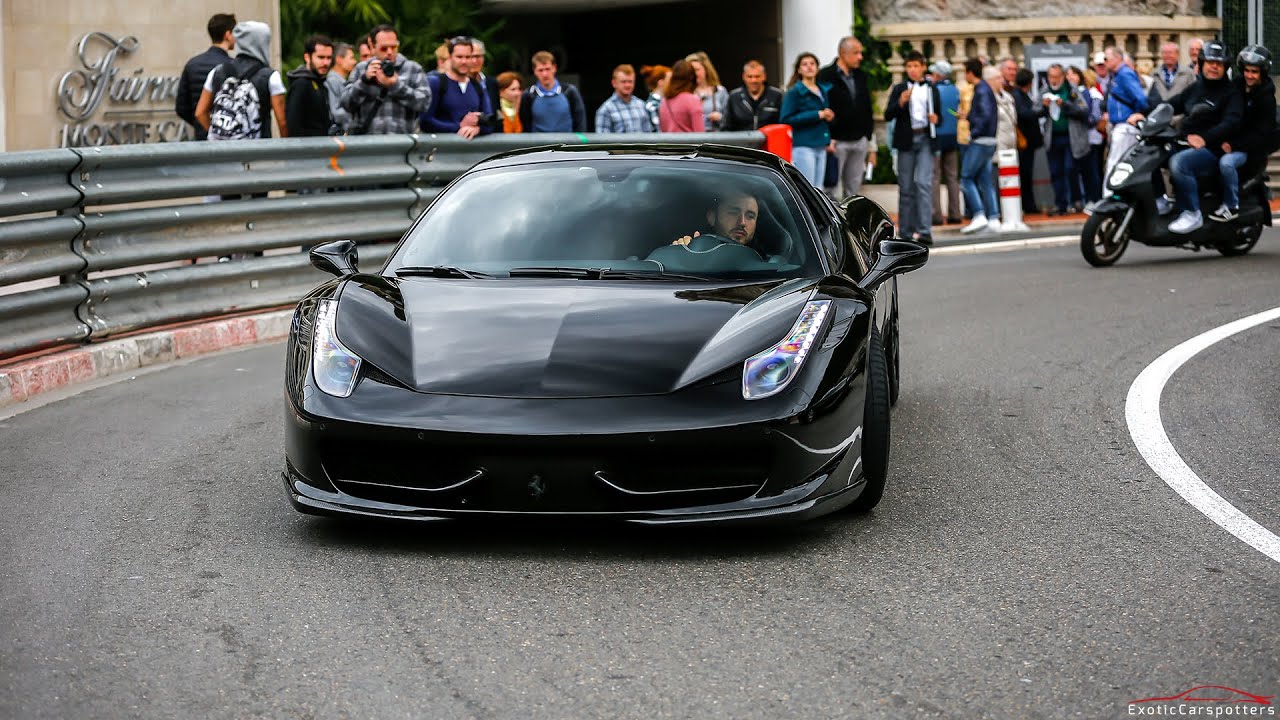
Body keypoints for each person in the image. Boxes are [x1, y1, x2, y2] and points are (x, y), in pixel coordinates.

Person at [1126, 41, 1242, 233]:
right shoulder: (1196, 88)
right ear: (1202, 63)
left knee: (1179, 163)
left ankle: (1192, 212)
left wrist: (1205, 139)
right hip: (1186, 142)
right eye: (1210, 62)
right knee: (1151, 153)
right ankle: (1160, 199)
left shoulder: (1231, 93)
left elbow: (1231, 123)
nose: (1214, 67)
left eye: (1219, 64)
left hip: (1212, 149)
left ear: (1225, 67)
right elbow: (1171, 105)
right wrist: (1145, 115)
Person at [1212, 45, 1275, 222]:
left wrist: (1234, 145)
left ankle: (1232, 206)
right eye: (1246, 70)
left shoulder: (1266, 99)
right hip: (1229, 141)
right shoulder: (1236, 87)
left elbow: (1260, 134)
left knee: (1226, 163)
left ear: (1262, 72)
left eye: (1254, 71)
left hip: (1249, 150)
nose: (1249, 75)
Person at [194, 20, 287, 139]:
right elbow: (282, 121)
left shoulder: (216, 72)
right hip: (257, 151)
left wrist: (222, 135)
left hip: (223, 153)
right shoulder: (271, 76)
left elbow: (200, 112)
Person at [885, 51, 941, 245]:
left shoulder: (931, 89)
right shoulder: (899, 88)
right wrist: (900, 102)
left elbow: (939, 116)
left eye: (916, 66)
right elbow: (888, 114)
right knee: (906, 186)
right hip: (906, 141)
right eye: (909, 66)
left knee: (925, 184)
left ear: (923, 67)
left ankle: (925, 230)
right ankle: (906, 232)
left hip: (925, 138)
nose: (913, 70)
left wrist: (937, 119)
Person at [340, 24, 430, 135]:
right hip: (367, 144)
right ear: (372, 47)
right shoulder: (362, 68)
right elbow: (345, 104)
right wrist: (364, 81)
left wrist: (396, 85)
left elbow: (424, 104)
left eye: (394, 47)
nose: (389, 52)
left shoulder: (413, 69)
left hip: (402, 143)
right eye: (384, 48)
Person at [818, 37, 875, 199]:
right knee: (831, 188)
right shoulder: (825, 76)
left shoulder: (860, 76)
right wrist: (828, 137)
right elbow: (821, 106)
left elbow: (867, 107)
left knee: (854, 190)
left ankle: (851, 223)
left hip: (859, 140)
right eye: (856, 53)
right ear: (843, 53)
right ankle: (832, 224)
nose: (860, 57)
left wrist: (869, 139)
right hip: (837, 142)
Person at [1037, 64, 1089, 214]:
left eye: (1056, 77)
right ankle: (1060, 204)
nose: (1053, 80)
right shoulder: (1044, 91)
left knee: (1070, 168)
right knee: (1055, 171)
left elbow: (1083, 110)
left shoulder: (1072, 90)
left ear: (1062, 76)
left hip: (1071, 138)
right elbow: (1035, 111)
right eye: (1050, 77)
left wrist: (1065, 104)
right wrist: (1044, 107)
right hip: (1052, 138)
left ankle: (1075, 200)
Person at [176, 13, 236, 141]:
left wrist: (200, 124)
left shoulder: (192, 64)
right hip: (227, 138)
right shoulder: (232, 66)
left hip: (201, 137)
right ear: (227, 35)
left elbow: (181, 107)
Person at [419, 36, 492, 139]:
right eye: (459, 57)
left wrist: (478, 129)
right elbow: (425, 121)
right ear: (450, 57)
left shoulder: (477, 86)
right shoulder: (436, 82)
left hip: (470, 150)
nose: (464, 61)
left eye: (467, 57)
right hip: (441, 148)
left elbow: (490, 121)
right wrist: (459, 126)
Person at [780, 52, 834, 188]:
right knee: (807, 188)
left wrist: (828, 116)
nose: (809, 67)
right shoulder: (794, 92)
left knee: (819, 189)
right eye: (804, 64)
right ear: (799, 69)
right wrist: (816, 115)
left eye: (812, 64)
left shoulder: (823, 89)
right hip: (803, 145)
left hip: (821, 143)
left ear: (817, 67)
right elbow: (785, 118)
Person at [958, 59, 999, 234]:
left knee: (966, 178)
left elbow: (984, 115)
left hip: (980, 140)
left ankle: (978, 214)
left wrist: (973, 130)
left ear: (970, 72)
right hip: (990, 140)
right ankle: (993, 217)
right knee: (985, 179)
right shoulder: (985, 88)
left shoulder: (980, 90)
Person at [1103, 46, 1149, 178]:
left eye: (1107, 58)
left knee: (1115, 163)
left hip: (1125, 127)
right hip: (1119, 126)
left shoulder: (1125, 74)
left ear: (1117, 58)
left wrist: (1138, 115)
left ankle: (1110, 197)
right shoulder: (1117, 75)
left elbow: (1140, 98)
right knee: (1115, 163)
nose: (1105, 62)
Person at [519, 51, 587, 133]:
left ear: (554, 68)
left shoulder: (569, 91)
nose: (545, 74)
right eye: (540, 70)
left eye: (548, 69)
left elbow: (580, 122)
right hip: (539, 144)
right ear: (535, 71)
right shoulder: (529, 95)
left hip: (567, 143)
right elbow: (525, 125)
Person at [670, 189, 760, 249]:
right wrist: (681, 257)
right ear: (712, 217)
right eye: (733, 213)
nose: (742, 222)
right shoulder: (695, 251)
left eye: (750, 216)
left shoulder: (769, 266)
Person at [1066, 65, 1103, 209]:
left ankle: (1094, 199)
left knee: (1091, 169)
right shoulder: (1069, 93)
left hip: (1090, 138)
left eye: (1073, 75)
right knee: (1075, 170)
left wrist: (1071, 111)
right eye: (1068, 75)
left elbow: (1091, 115)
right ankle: (1080, 200)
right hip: (1076, 139)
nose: (1070, 78)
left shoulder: (1087, 93)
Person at [929, 61, 961, 224]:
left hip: (938, 137)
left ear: (938, 74)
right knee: (952, 177)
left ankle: (936, 215)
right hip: (953, 137)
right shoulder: (955, 89)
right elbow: (955, 112)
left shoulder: (935, 90)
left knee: (935, 177)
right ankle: (955, 213)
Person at [285, 35, 334, 138]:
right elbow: (293, 126)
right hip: (307, 150)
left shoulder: (321, 83)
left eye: (329, 58)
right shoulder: (301, 85)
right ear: (307, 57)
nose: (326, 62)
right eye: (321, 57)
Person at [1011, 67, 1044, 216]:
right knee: (1025, 174)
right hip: (1024, 142)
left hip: (1027, 142)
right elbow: (1024, 113)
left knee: (1026, 174)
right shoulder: (1019, 96)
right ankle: (1028, 205)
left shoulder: (1019, 94)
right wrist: (1041, 111)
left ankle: (1029, 205)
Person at [724, 61, 783, 132]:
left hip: (770, 140)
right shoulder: (734, 97)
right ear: (744, 77)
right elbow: (727, 125)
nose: (753, 80)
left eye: (757, 76)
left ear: (764, 76)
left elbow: (783, 124)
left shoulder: (777, 95)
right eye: (750, 76)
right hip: (742, 141)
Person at [595, 64, 654, 133]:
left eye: (630, 81)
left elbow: (649, 135)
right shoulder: (605, 110)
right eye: (623, 81)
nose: (627, 85)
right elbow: (602, 141)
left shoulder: (641, 105)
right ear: (614, 83)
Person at [686, 52, 729, 132]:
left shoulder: (720, 91)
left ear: (706, 69)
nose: (694, 74)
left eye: (697, 70)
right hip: (693, 139)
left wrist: (720, 117)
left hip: (716, 139)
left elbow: (730, 119)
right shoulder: (686, 93)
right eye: (691, 71)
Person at [659, 60, 704, 132]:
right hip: (688, 143)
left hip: (669, 142)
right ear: (692, 77)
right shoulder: (693, 100)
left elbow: (663, 130)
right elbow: (700, 133)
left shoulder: (664, 101)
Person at [1148, 41, 1196, 106]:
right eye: (1165, 53)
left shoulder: (1188, 73)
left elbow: (1194, 93)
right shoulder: (1154, 73)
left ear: (1177, 54)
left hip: (1181, 113)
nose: (1168, 56)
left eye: (1170, 53)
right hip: (1159, 112)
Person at [469, 39, 501, 131]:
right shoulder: (457, 84)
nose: (474, 61)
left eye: (478, 56)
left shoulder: (492, 83)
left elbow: (497, 114)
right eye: (471, 57)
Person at [325, 42, 356, 133]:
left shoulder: (341, 81)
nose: (355, 62)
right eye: (351, 58)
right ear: (339, 59)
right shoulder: (332, 81)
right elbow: (335, 112)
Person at [641, 65, 670, 131]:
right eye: (670, 80)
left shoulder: (665, 102)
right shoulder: (652, 105)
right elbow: (658, 131)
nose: (672, 84)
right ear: (661, 83)